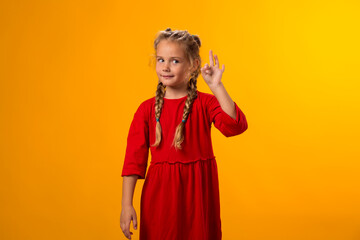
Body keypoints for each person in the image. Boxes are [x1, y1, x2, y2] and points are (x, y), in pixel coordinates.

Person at [120, 28, 248, 240]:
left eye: (175, 61)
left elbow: (235, 127)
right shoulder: (146, 110)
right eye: (161, 60)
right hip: (160, 197)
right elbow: (133, 161)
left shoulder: (206, 103)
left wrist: (217, 87)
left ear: (193, 65)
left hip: (198, 194)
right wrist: (126, 205)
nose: (166, 67)